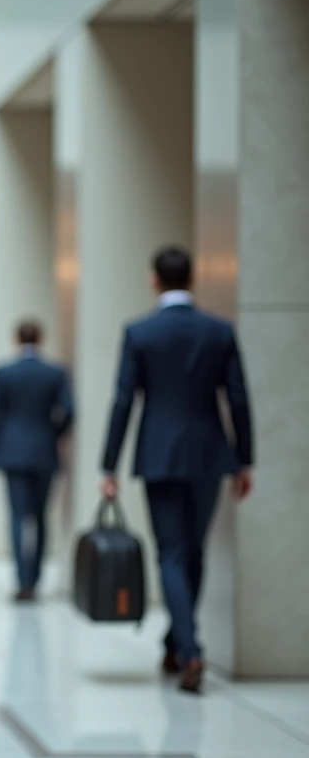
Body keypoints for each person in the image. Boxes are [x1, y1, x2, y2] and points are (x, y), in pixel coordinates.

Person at [100, 245, 253, 695]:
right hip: (209, 454)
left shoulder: (140, 332)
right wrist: (244, 458)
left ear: (154, 280)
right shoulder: (218, 332)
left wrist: (109, 464)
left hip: (159, 454)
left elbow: (124, 400)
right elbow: (239, 398)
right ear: (193, 279)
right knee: (194, 550)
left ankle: (189, 649)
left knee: (170, 551)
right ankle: (178, 642)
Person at [0, 320, 74, 602]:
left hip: (13, 453)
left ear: (16, 339)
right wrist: (54, 433)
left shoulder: (5, 372)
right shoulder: (55, 373)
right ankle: (36, 577)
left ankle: (23, 582)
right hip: (44, 451)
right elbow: (69, 411)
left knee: (18, 517)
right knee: (40, 516)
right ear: (40, 339)